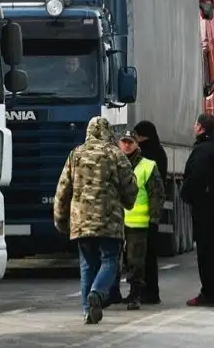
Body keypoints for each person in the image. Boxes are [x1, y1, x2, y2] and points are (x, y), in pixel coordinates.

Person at [53, 116, 138, 325]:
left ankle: (87, 310)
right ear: (108, 132)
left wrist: (61, 219)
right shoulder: (116, 155)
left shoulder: (76, 154)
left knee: (87, 264)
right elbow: (130, 187)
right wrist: (128, 203)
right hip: (109, 220)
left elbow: (63, 190)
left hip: (81, 221)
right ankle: (97, 293)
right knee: (110, 260)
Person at [109, 130, 165, 310]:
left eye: (130, 142)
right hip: (116, 221)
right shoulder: (112, 164)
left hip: (138, 223)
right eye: (123, 142)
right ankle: (113, 293)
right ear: (119, 144)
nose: (126, 145)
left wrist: (154, 219)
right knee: (113, 260)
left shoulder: (148, 166)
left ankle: (135, 295)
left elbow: (157, 194)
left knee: (136, 262)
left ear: (136, 144)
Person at [181, 113, 214, 307]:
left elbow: (196, 177)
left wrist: (187, 194)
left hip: (204, 205)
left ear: (201, 127)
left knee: (205, 251)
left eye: (196, 124)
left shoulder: (203, 149)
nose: (194, 127)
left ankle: (209, 293)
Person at [134, 120, 169, 304]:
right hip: (153, 212)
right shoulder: (160, 152)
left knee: (141, 256)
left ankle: (145, 292)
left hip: (141, 213)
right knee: (150, 254)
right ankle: (151, 291)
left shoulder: (144, 155)